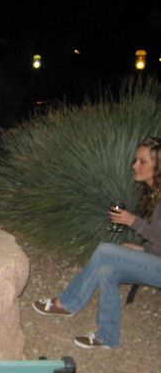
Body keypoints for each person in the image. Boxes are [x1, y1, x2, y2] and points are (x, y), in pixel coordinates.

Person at [32, 136, 161, 350]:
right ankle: (106, 337)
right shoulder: (153, 194)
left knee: (105, 250)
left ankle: (68, 302)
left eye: (142, 161)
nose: (134, 166)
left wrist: (133, 222)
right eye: (135, 160)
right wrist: (143, 248)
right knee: (107, 270)